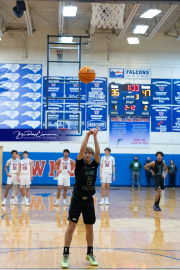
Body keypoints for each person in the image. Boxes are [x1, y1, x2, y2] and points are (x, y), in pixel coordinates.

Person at [61, 125, 100, 268]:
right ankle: (65, 255)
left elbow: (98, 153)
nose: (88, 154)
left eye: (90, 153)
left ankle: (90, 253)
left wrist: (95, 137)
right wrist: (88, 135)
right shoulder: (79, 164)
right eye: (86, 153)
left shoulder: (95, 165)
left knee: (89, 228)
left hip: (89, 200)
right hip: (77, 199)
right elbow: (81, 149)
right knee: (71, 227)